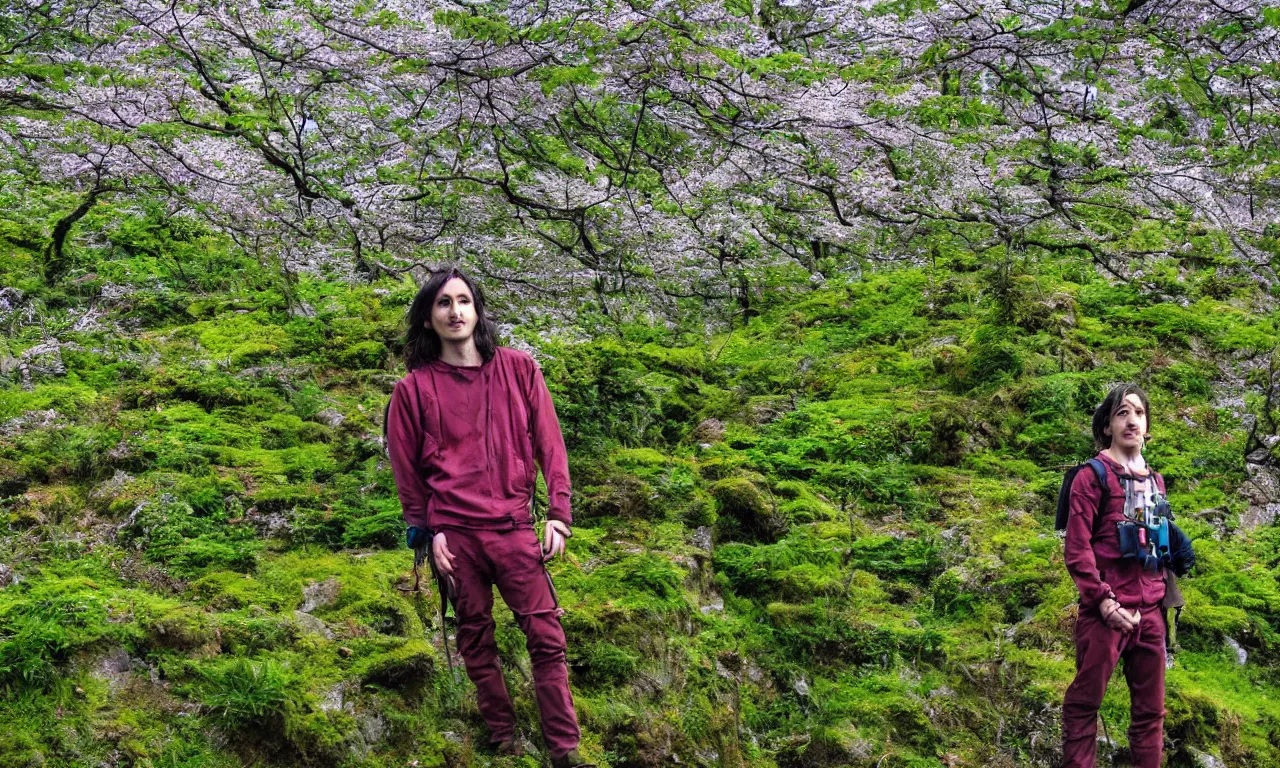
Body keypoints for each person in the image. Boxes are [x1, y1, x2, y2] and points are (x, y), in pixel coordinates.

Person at [385, 267, 592, 768]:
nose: (455, 312)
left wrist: (558, 515)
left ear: (477, 310)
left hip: (514, 529)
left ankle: (564, 749)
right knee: (476, 637)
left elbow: (550, 445)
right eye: (442, 303)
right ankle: (504, 738)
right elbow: (408, 474)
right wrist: (426, 534)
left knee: (547, 637)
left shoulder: (520, 370)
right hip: (455, 538)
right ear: (428, 318)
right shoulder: (412, 391)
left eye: (463, 301)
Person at [1061, 384, 1169, 768]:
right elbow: (1077, 551)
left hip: (1151, 614)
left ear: (1147, 426)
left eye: (1139, 413)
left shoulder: (1156, 481)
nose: (1132, 420)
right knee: (1083, 706)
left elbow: (1159, 549)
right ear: (1107, 425)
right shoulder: (1091, 477)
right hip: (1104, 614)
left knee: (1150, 716)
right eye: (1122, 412)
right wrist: (1105, 603)